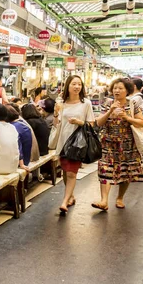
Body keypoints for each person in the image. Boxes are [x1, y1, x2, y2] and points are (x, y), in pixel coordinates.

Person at [92, 78, 143, 211]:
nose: (117, 90)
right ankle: (104, 201)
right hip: (108, 143)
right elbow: (98, 122)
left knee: (126, 172)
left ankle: (120, 198)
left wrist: (127, 117)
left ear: (127, 90)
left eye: (120, 88)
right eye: (115, 88)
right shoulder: (107, 103)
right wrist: (110, 111)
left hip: (128, 145)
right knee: (105, 170)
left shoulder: (133, 104)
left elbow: (141, 122)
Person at [53, 75, 95, 214]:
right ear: (68, 86)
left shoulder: (86, 103)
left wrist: (78, 122)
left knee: (71, 173)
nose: (77, 87)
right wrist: (55, 114)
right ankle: (70, 196)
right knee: (66, 171)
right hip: (63, 141)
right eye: (74, 84)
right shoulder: (62, 103)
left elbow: (91, 124)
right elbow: (56, 125)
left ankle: (64, 201)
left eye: (79, 84)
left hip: (77, 142)